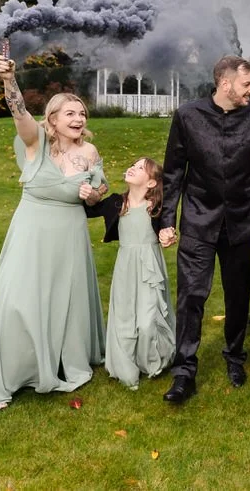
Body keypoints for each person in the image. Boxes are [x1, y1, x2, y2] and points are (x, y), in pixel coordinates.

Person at [0, 53, 106, 411]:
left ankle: (61, 360)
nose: (78, 118)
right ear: (52, 118)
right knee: (21, 299)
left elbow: (99, 192)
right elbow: (19, 113)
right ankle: (12, 371)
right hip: (33, 230)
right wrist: (10, 81)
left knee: (65, 299)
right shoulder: (35, 142)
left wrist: (92, 194)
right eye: (70, 113)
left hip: (70, 234)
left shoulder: (89, 151)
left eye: (82, 112)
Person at [159, 55, 250, 404]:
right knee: (192, 297)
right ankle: (184, 371)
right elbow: (173, 173)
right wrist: (168, 220)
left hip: (242, 223)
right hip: (199, 220)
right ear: (225, 84)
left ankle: (234, 356)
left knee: (237, 295)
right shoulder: (187, 116)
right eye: (247, 84)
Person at [86, 157, 175, 390]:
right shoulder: (117, 203)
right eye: (132, 165)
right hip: (126, 266)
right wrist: (91, 190)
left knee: (147, 320)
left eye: (139, 168)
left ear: (152, 183)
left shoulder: (157, 207)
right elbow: (88, 209)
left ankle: (153, 358)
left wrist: (169, 234)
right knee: (125, 317)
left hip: (149, 267)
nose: (132, 167)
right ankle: (126, 363)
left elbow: (168, 227)